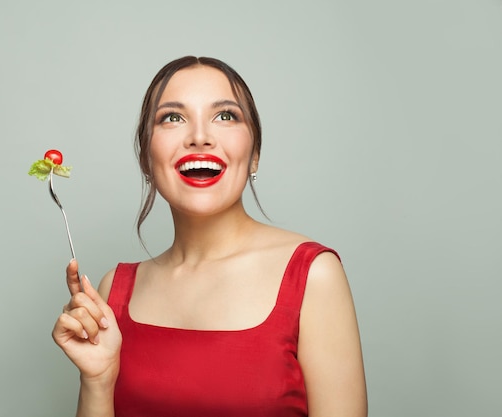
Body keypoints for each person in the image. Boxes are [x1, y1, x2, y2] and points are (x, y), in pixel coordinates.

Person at [52, 56, 367, 417]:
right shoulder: (114, 290)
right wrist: (97, 381)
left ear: (255, 156)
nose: (200, 137)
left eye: (225, 116)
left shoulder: (313, 276)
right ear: (145, 160)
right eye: (172, 117)